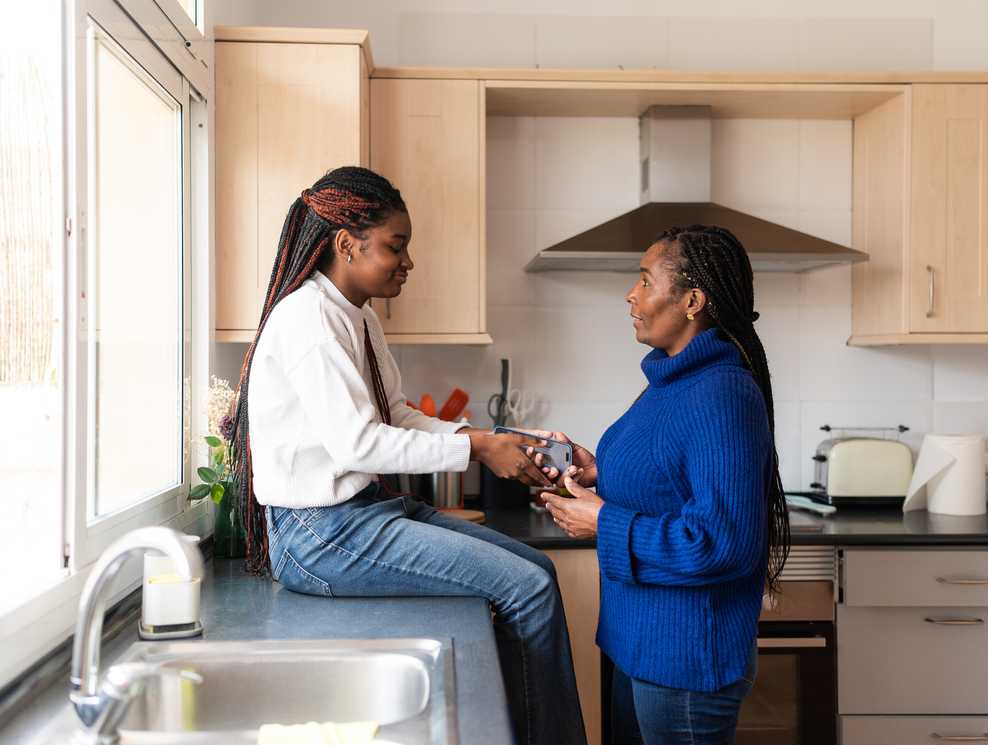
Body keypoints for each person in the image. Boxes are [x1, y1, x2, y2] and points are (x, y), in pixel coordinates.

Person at [227, 166, 587, 745]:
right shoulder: (308, 320)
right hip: (317, 534)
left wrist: (495, 436)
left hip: (363, 513)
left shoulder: (358, 316)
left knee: (538, 572)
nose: (408, 262)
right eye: (396, 246)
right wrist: (476, 448)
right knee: (528, 588)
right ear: (347, 244)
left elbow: (394, 416)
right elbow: (359, 443)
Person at [539, 225, 790, 745]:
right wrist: (598, 472)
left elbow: (723, 543)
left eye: (645, 281)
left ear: (692, 300)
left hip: (685, 662)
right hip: (638, 647)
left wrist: (603, 521)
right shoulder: (671, 381)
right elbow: (671, 477)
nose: (631, 295)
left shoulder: (721, 393)